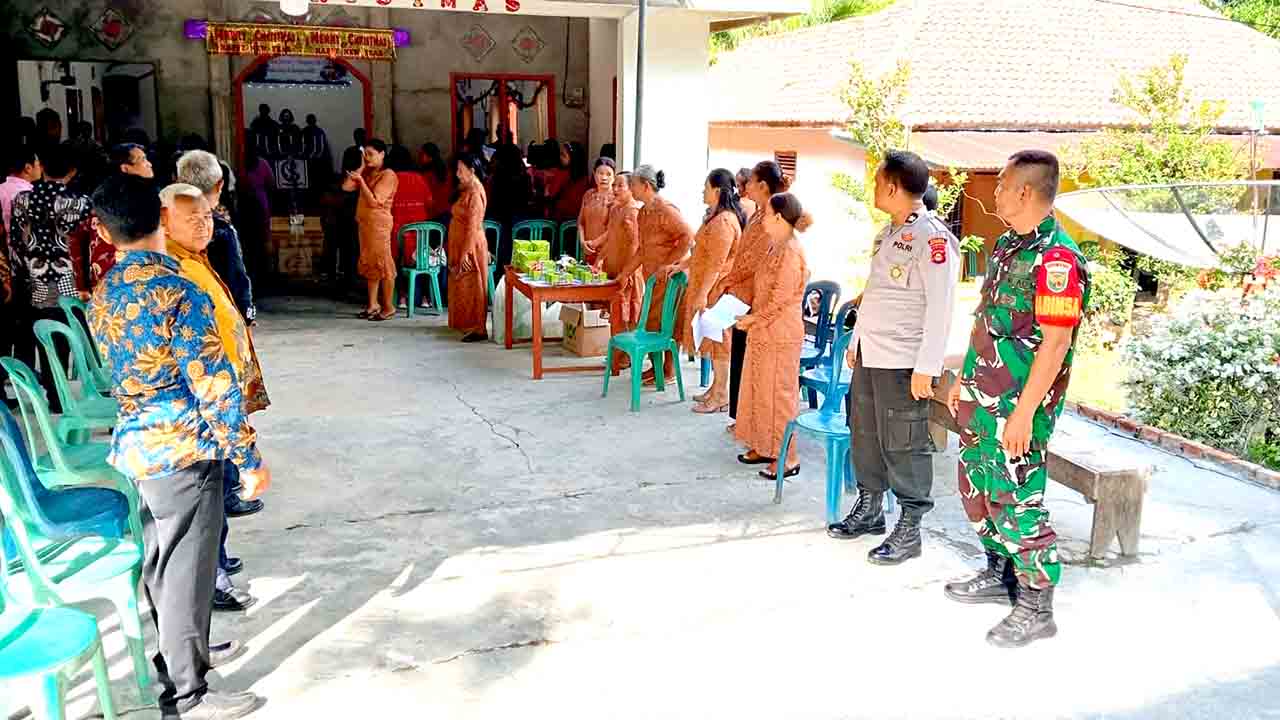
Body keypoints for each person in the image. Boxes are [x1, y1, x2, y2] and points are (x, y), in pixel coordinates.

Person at [88, 174, 269, 720]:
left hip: (141, 447)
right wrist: (248, 457)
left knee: (161, 563)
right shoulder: (179, 292)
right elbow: (212, 383)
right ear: (160, 219)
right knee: (187, 571)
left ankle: (177, 666)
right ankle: (190, 697)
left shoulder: (104, 293)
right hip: (186, 450)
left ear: (102, 231)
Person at [944, 150, 1089, 648]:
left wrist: (1025, 413)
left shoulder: (1058, 259)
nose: (997, 192)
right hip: (981, 396)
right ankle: (998, 570)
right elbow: (986, 319)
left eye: (1002, 184)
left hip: (1017, 408)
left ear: (1025, 192)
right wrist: (960, 377)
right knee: (977, 488)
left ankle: (1035, 604)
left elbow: (1055, 344)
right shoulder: (1009, 245)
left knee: (1017, 500)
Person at [827, 150, 960, 567]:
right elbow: (879, 294)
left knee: (904, 441)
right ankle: (869, 508)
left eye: (876, 180)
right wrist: (856, 344)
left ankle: (910, 527)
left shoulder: (932, 239)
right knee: (865, 433)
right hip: (872, 354)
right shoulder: (888, 235)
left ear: (891, 186)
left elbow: (941, 306)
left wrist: (928, 366)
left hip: (904, 359)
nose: (873, 187)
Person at [159, 183, 271, 615]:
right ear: (165, 220)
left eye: (208, 216)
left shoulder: (195, 259)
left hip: (218, 401)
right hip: (205, 407)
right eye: (193, 219)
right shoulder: (175, 269)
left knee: (217, 492)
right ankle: (213, 580)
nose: (205, 225)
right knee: (206, 499)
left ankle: (218, 561)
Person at [733, 193, 811, 480]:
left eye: (766, 214)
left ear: (779, 217)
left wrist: (754, 319)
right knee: (759, 389)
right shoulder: (774, 246)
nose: (762, 218)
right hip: (763, 330)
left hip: (780, 333)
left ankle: (788, 457)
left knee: (779, 395)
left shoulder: (791, 250)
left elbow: (780, 299)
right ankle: (764, 447)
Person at [9, 144, 92, 413]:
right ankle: (85, 391)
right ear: (72, 171)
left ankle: (55, 395)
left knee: (45, 338)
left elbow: (16, 243)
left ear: (42, 166)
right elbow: (86, 245)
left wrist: (21, 274)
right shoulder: (79, 203)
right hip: (70, 281)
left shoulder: (20, 201)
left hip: (35, 279)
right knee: (73, 337)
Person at [709, 160, 790, 430]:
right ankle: (741, 417)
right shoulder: (756, 212)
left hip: (758, 297)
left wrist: (728, 279)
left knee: (752, 363)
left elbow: (755, 259)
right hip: (743, 294)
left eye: (751, 182)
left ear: (763, 186)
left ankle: (751, 422)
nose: (746, 187)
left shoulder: (773, 214)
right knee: (741, 358)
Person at [670, 169, 745, 413]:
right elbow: (701, 253)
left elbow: (715, 263)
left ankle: (722, 394)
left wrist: (703, 294)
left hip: (717, 290)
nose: (702, 190)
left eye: (706, 186)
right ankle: (716, 387)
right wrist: (681, 265)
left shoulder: (724, 222)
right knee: (711, 341)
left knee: (719, 341)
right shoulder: (716, 217)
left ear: (717, 190)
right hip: (707, 286)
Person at [628, 164, 694, 386]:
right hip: (653, 279)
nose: (630, 190)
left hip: (669, 279)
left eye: (633, 185)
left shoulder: (665, 209)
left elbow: (687, 237)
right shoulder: (643, 213)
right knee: (651, 323)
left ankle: (668, 370)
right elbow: (642, 250)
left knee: (667, 324)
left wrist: (669, 265)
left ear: (646, 186)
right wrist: (624, 274)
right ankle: (656, 368)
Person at [176, 150, 257, 325]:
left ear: (179, 182)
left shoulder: (165, 224)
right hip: (216, 318)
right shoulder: (221, 230)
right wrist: (247, 315)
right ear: (220, 185)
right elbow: (236, 279)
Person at [342, 138, 399, 321]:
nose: (367, 158)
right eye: (364, 154)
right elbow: (346, 187)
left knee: (384, 264)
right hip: (365, 225)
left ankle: (388, 306)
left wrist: (362, 181)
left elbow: (375, 201)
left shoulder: (388, 175)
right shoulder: (366, 172)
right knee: (370, 263)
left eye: (371, 154)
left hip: (379, 226)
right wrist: (360, 168)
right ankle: (373, 304)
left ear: (382, 154)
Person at [595, 171, 643, 370]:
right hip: (614, 270)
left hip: (628, 272)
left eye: (620, 186)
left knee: (628, 313)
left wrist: (628, 272)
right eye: (614, 186)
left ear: (632, 189)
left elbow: (635, 245)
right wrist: (599, 259)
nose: (615, 189)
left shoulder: (633, 212)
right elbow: (612, 238)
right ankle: (617, 353)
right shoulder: (615, 210)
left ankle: (627, 356)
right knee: (616, 314)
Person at [448, 152, 490, 342]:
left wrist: (466, 253)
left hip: (471, 244)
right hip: (461, 241)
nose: (457, 174)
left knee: (473, 284)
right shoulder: (466, 189)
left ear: (471, 171)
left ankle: (478, 327)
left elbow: (473, 227)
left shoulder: (475, 193)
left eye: (460, 170)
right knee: (463, 284)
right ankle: (466, 323)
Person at [386, 145, 433, 309]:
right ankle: (426, 298)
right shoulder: (419, 178)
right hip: (420, 232)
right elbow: (429, 203)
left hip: (397, 231)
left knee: (397, 263)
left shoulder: (390, 179)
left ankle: (402, 297)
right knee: (422, 263)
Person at [485, 143, 532, 269]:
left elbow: (491, 203)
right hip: (520, 223)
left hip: (500, 223)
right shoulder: (525, 178)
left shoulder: (496, 179)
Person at [238, 142, 275, 284]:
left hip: (247, 203)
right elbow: (271, 183)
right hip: (259, 202)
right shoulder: (262, 164)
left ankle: (254, 272)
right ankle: (263, 272)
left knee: (249, 238)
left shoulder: (241, 164)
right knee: (262, 236)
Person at [577, 157, 615, 265]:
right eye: (600, 173)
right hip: (587, 249)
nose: (604, 178)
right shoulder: (588, 195)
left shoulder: (615, 198)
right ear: (594, 174)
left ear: (614, 177)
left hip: (606, 251)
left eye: (608, 174)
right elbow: (581, 222)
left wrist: (594, 243)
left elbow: (613, 229)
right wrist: (583, 242)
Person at [1, 146, 42, 232]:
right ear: (28, 168)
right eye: (38, 164)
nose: (41, 169)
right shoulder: (32, 194)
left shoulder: (1, 188)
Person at [550, 142, 590, 223]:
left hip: (562, 217)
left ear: (573, 158)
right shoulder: (585, 176)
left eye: (563, 155)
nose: (560, 157)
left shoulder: (562, 174)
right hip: (579, 217)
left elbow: (551, 193)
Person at [419, 143, 452, 223]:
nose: (419, 157)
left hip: (433, 214)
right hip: (447, 212)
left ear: (430, 157)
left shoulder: (426, 175)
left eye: (422, 154)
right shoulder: (447, 172)